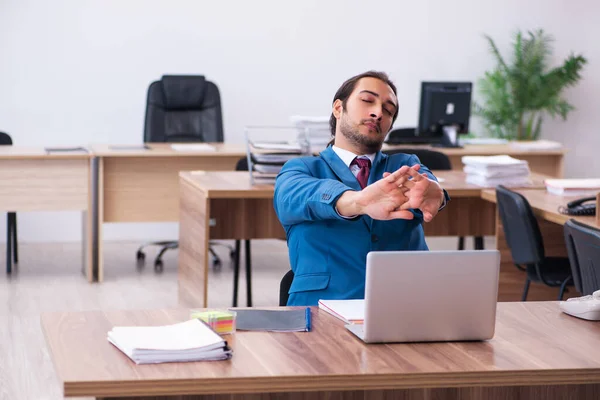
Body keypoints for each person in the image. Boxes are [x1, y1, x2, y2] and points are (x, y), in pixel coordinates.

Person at [274, 71, 449, 306]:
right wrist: (358, 201)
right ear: (338, 108)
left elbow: (426, 183)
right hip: (319, 310)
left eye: (388, 111)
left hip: (404, 307)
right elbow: (292, 197)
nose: (378, 112)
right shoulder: (302, 168)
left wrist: (436, 192)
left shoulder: (404, 165)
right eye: (367, 101)